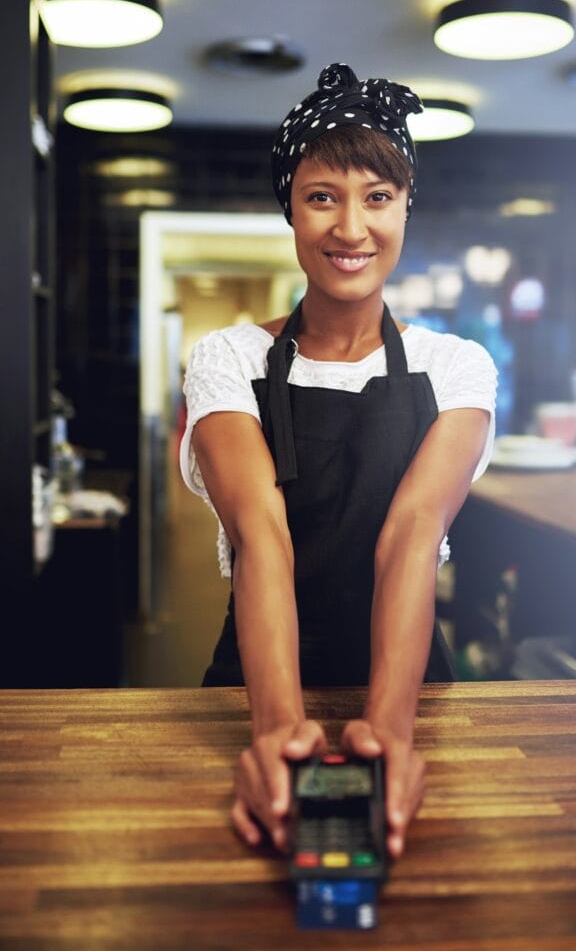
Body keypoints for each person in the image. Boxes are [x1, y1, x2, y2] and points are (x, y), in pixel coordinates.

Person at [180, 63, 497, 860]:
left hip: (413, 690)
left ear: (405, 209)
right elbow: (263, 537)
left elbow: (412, 536)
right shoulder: (228, 360)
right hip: (256, 682)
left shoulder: (456, 367)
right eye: (323, 196)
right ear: (289, 209)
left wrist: (390, 732)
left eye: (377, 198)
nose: (351, 228)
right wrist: (279, 730)